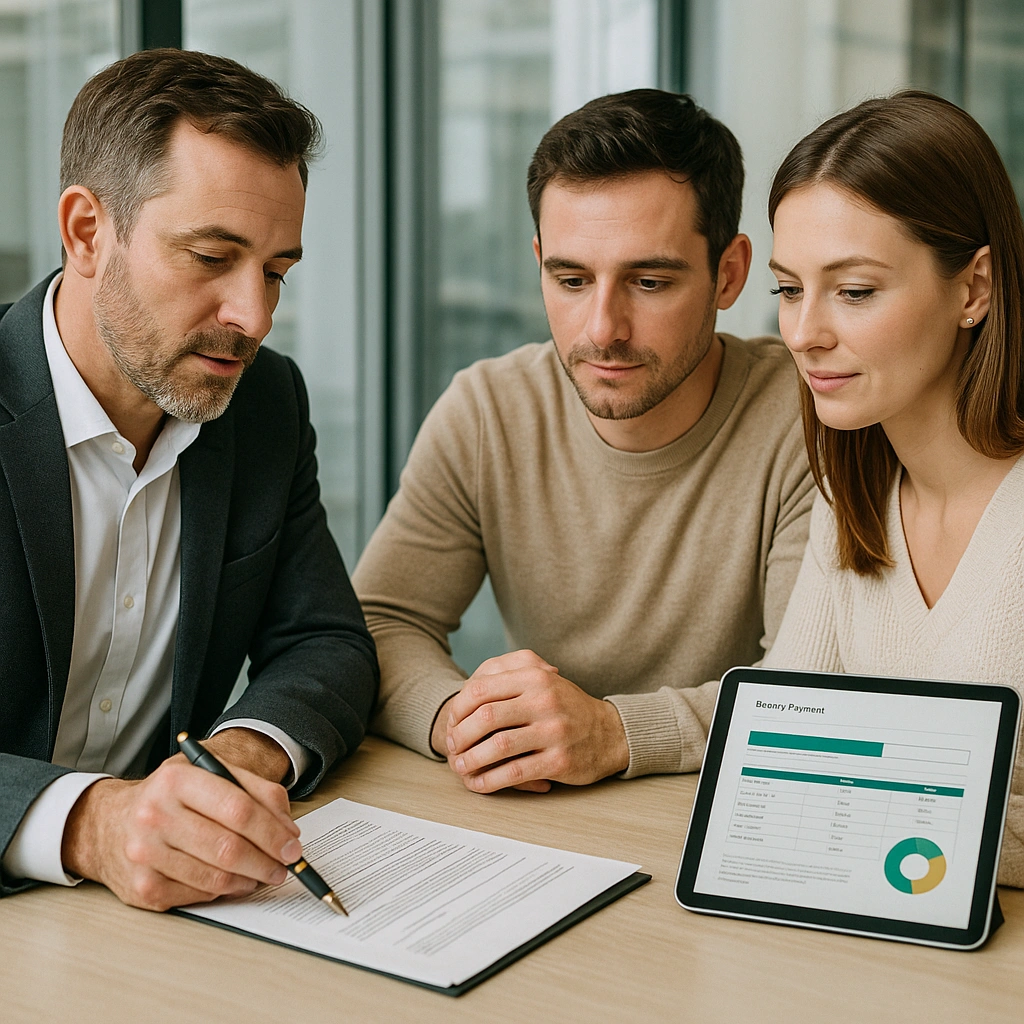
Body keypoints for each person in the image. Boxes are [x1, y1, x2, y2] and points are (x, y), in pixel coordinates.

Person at [0, 49, 379, 910]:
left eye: (276, 271)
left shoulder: (264, 403)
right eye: (212, 257)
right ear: (88, 232)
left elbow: (326, 643)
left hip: (174, 924)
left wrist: (237, 759)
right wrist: (91, 825)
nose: (255, 316)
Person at [354, 89, 814, 793]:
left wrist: (612, 732)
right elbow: (383, 620)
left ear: (729, 273)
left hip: (736, 810)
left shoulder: (810, 421)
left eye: (650, 281)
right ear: (538, 260)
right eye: (570, 279)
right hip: (540, 816)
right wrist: (461, 718)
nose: (602, 328)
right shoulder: (487, 410)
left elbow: (809, 689)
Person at [763, 91, 1024, 887]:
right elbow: (771, 768)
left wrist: (857, 807)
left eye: (855, 290)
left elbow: (809, 799)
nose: (805, 331)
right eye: (787, 288)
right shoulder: (852, 499)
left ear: (973, 289)